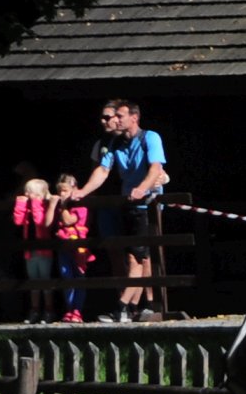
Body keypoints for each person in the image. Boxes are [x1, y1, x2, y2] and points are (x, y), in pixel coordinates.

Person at [58, 97, 170, 320]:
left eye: (120, 116)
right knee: (133, 257)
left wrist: (143, 188)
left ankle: (131, 306)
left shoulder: (150, 137)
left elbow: (156, 168)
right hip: (128, 204)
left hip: (146, 205)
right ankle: (131, 307)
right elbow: (102, 170)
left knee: (139, 258)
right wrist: (83, 192)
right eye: (114, 116)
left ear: (134, 118)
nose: (115, 120)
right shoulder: (114, 143)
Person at [11, 175, 60, 321]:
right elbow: (18, 221)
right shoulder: (28, 208)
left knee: (45, 280)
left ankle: (49, 310)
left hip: (44, 251)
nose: (26, 194)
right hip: (30, 251)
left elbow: (40, 222)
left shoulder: (44, 206)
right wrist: (20, 204)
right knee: (33, 281)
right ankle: (35, 310)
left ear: (38, 195)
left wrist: (35, 203)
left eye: (29, 192)